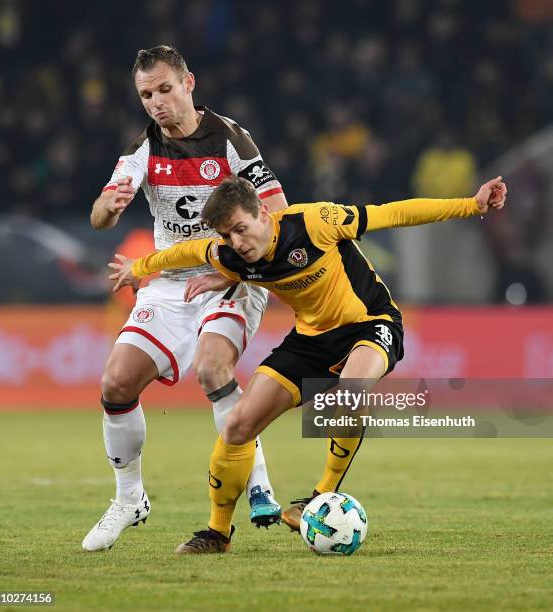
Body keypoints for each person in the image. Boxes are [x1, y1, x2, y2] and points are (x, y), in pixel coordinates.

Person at [110, 174, 507, 554]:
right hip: (311, 342)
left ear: (263, 214)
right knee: (237, 426)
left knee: (350, 392)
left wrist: (471, 205)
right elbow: (185, 252)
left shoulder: (315, 222)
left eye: (241, 228)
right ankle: (217, 533)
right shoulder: (229, 254)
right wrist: (139, 268)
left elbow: (394, 213)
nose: (236, 241)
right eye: (226, 234)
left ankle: (321, 495)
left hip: (370, 323)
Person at [83, 45, 288, 552]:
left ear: (189, 83)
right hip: (171, 284)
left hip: (230, 276)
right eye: (146, 94)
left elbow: (279, 211)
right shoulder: (142, 152)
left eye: (165, 89)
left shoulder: (232, 140)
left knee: (213, 369)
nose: (156, 102)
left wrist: (235, 266)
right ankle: (129, 498)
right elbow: (99, 218)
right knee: (115, 383)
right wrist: (107, 207)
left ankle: (258, 484)